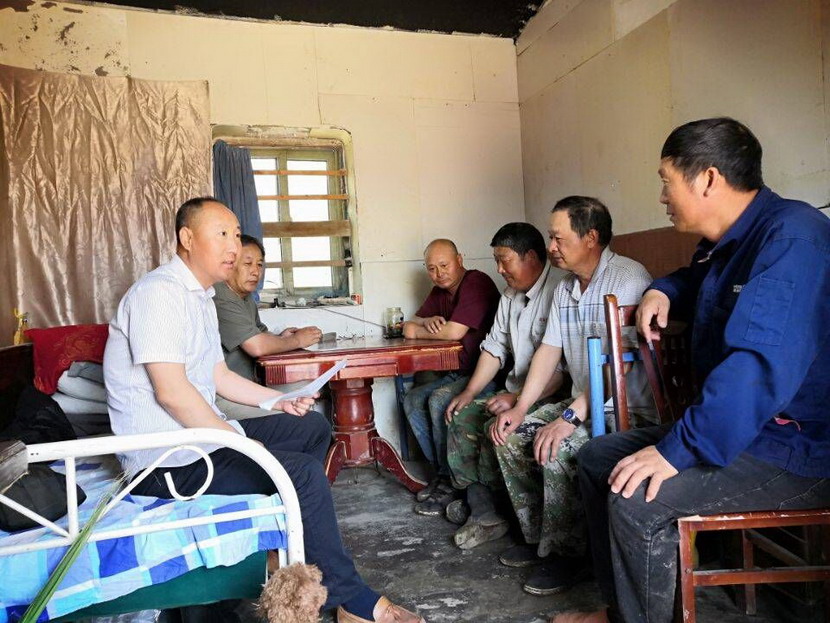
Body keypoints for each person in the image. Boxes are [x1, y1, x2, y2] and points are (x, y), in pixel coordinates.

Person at [553, 118, 830, 623]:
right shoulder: (727, 243)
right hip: (744, 432)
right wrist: (663, 290)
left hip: (794, 445)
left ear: (707, 179)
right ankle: (621, 610)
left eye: (666, 181)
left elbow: (755, 368)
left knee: (637, 500)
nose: (662, 196)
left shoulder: (793, 238)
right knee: (597, 459)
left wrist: (675, 451)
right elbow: (694, 280)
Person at [104, 197, 424, 623]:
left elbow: (217, 375)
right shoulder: (159, 294)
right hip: (167, 463)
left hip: (199, 444)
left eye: (236, 235)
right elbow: (172, 393)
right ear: (187, 238)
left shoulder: (201, 297)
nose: (233, 246)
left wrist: (277, 401)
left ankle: (282, 545)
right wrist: (238, 443)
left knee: (310, 428)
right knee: (302, 475)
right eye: (222, 234)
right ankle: (351, 599)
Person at [487, 196, 654, 596]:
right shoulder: (565, 288)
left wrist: (569, 419)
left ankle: (572, 555)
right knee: (510, 435)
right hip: (582, 402)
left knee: (559, 448)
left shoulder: (628, 278)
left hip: (625, 410)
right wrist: (522, 407)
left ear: (591, 237)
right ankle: (541, 540)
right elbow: (549, 351)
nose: (551, 247)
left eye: (558, 238)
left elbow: (620, 365)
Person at [443, 222, 562, 542]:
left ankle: (506, 514)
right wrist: (470, 391)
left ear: (531, 257)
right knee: (462, 414)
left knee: (495, 427)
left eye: (504, 260)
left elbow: (560, 369)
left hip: (548, 395)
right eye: (496, 260)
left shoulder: (559, 291)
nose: (499, 269)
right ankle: (483, 509)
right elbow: (494, 348)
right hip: (516, 393)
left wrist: (517, 398)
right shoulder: (510, 295)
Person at [401, 239, 500, 515]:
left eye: (444, 265)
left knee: (438, 400)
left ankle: (450, 481)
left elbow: (454, 332)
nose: (439, 273)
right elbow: (410, 322)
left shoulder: (476, 282)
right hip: (458, 372)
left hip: (486, 375)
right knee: (413, 400)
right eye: (432, 268)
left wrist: (417, 330)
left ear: (460, 259)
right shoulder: (440, 291)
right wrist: (424, 322)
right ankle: (442, 474)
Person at [213, 234, 322, 419]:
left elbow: (260, 334)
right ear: (229, 264)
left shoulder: (245, 297)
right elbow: (256, 346)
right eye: (247, 264)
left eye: (259, 265)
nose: (255, 271)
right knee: (305, 418)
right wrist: (296, 340)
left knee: (306, 393)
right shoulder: (220, 296)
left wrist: (281, 338)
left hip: (249, 389)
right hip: (224, 397)